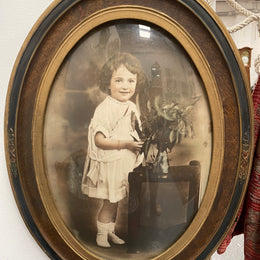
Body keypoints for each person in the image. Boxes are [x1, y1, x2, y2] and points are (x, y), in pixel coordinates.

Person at [81, 52, 145, 248]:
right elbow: (99, 140)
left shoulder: (132, 106)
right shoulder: (105, 108)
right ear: (107, 83)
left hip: (124, 164)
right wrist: (125, 144)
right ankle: (101, 234)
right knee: (109, 203)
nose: (125, 86)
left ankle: (110, 232)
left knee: (116, 202)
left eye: (130, 80)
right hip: (111, 163)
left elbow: (135, 131)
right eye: (119, 80)